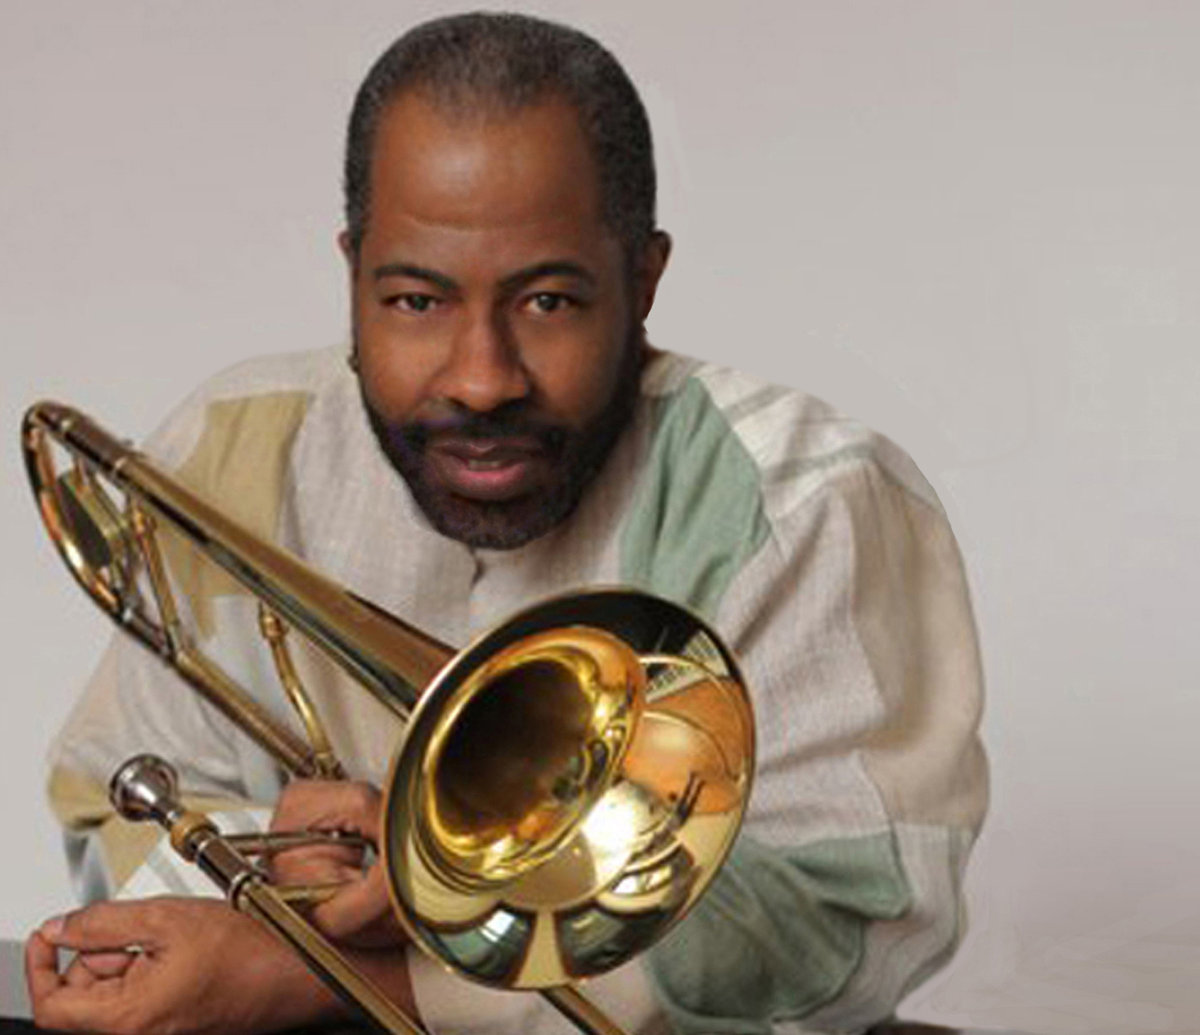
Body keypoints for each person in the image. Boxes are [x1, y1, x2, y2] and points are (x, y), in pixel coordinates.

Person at [26, 12, 987, 1035]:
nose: (482, 380)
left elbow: (838, 935)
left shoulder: (802, 499)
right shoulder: (233, 451)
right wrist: (284, 863)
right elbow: (113, 809)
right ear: (353, 272)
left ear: (643, 280)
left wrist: (339, 971)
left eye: (548, 302)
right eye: (415, 301)